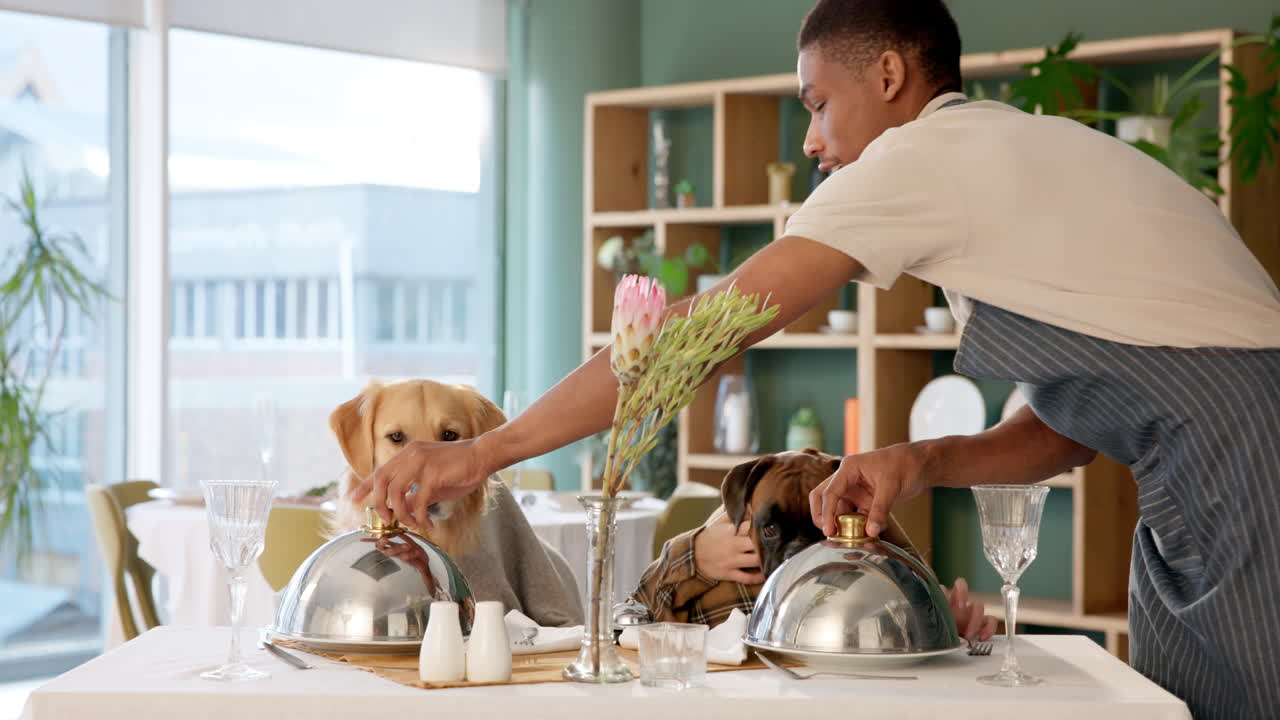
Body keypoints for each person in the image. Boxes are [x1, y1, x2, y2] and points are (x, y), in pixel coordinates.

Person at [356, 1, 1280, 715]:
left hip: (1240, 456)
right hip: (1201, 465)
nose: (808, 139)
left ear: (888, 74)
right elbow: (1071, 427)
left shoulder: (919, 160)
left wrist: (481, 453)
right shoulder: (997, 158)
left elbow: (701, 332)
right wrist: (919, 460)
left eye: (817, 103)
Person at [630, 507, 997, 643]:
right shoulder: (729, 553)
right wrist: (689, 554)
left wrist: (944, 628)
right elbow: (630, 624)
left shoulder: (875, 576)